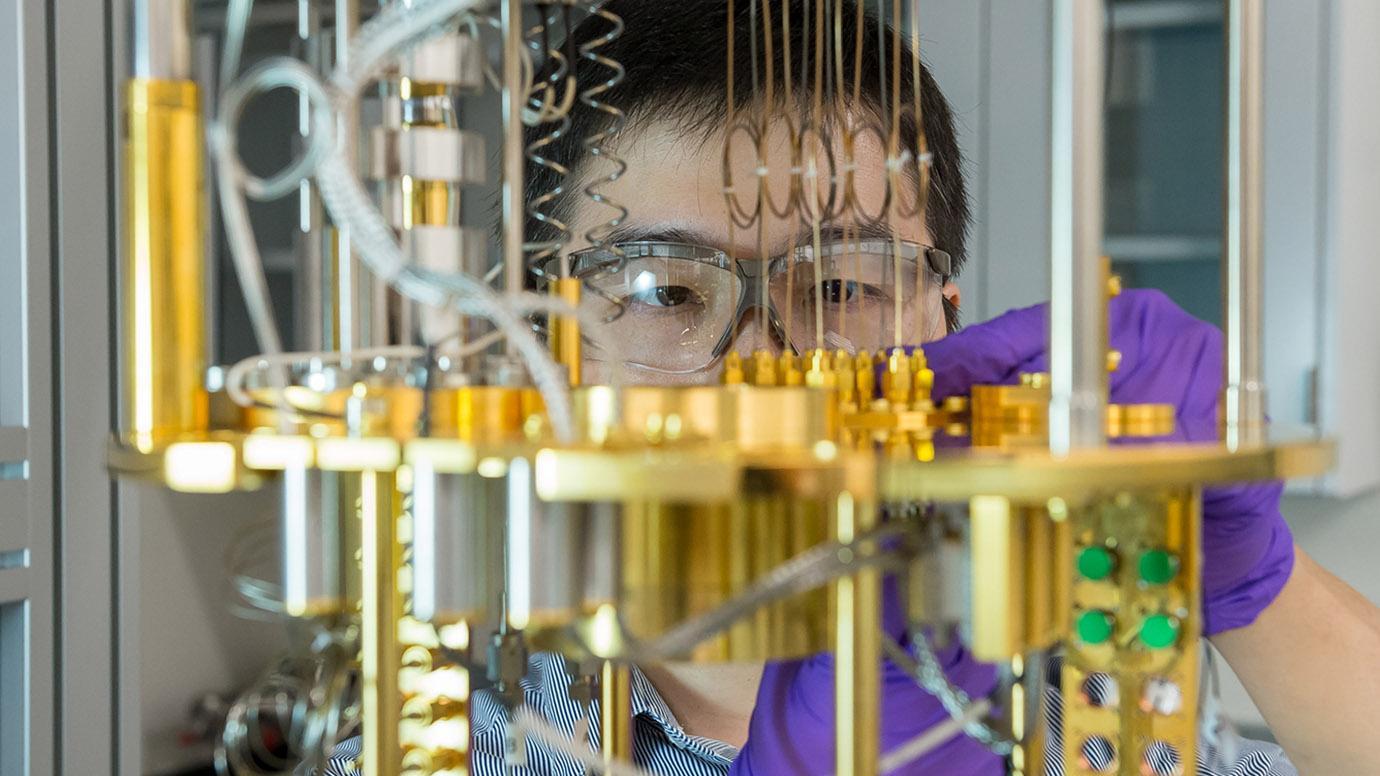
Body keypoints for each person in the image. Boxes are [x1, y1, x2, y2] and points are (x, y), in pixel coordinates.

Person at [323, 1, 1380, 774]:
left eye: (836, 284)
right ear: (542, 349)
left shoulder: (1089, 685)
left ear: (943, 327)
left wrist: (1258, 584)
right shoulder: (447, 738)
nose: (757, 368)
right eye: (663, 290)